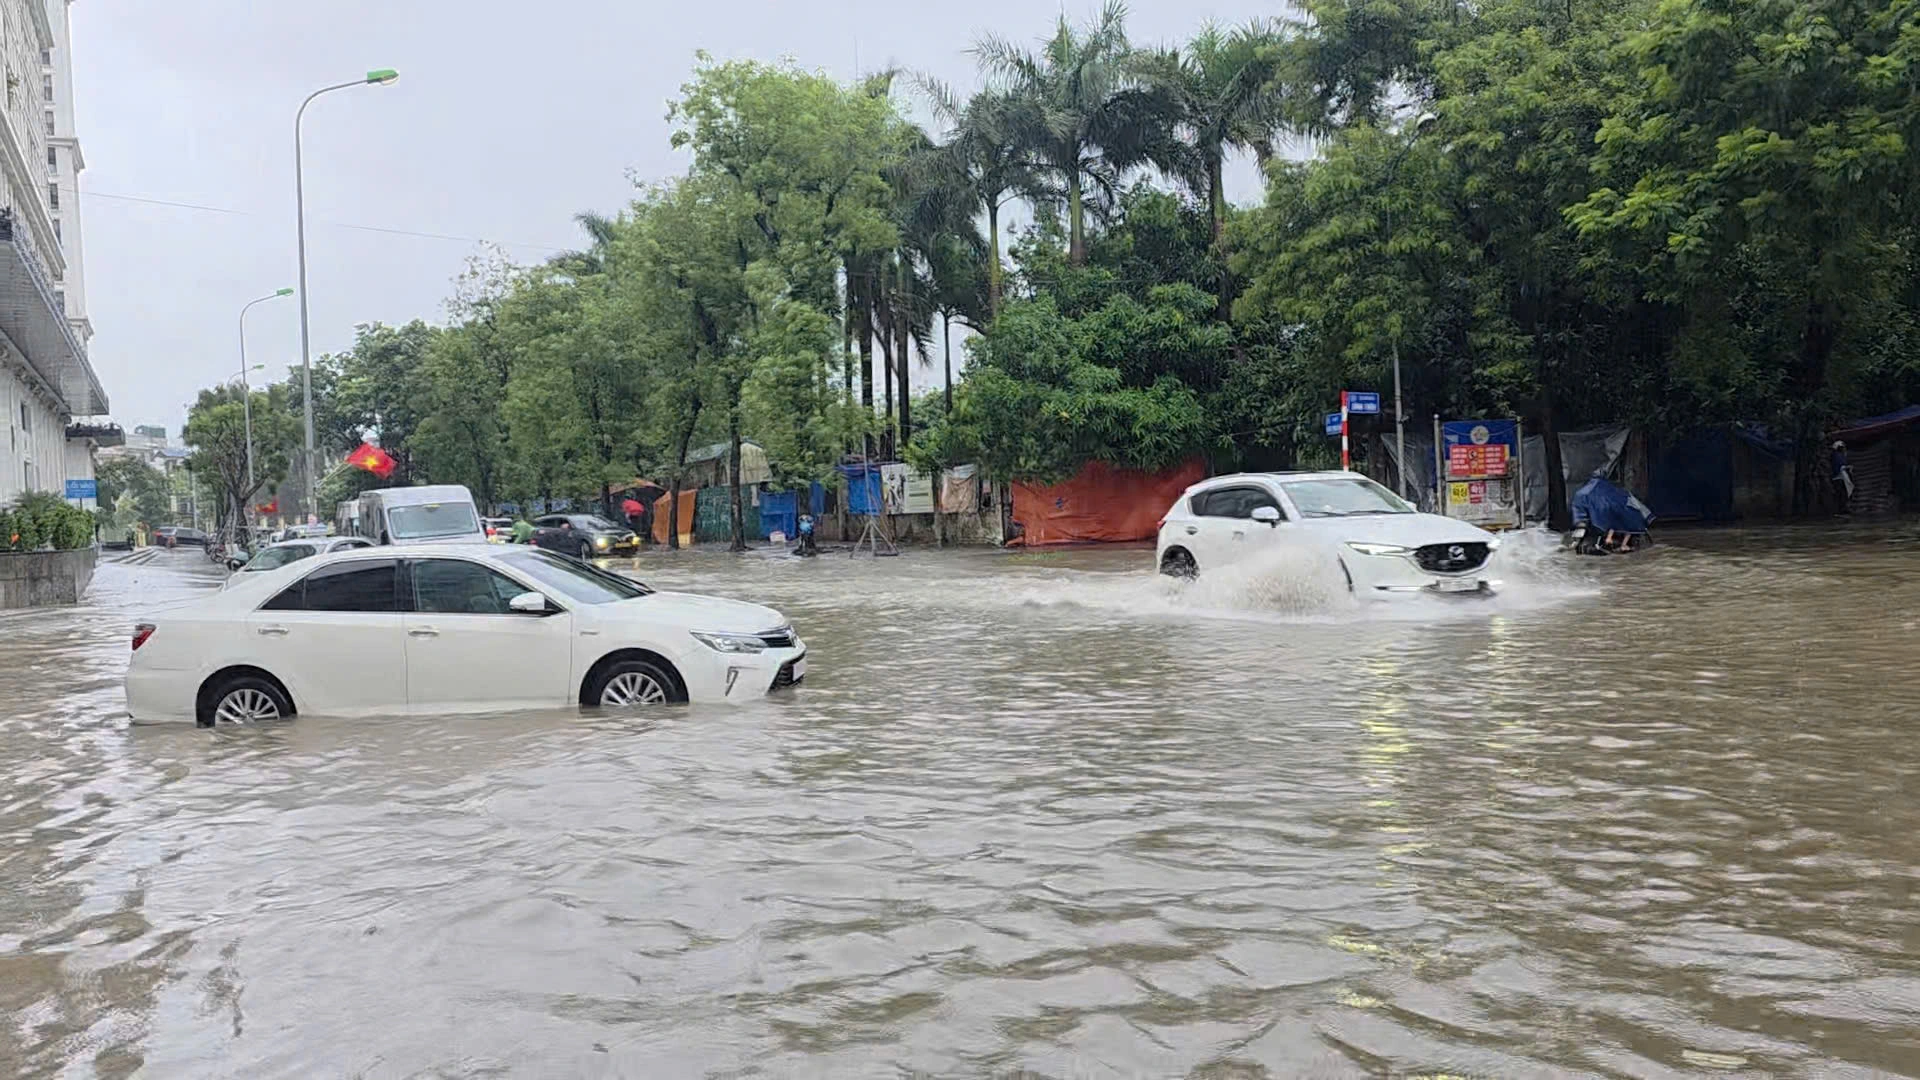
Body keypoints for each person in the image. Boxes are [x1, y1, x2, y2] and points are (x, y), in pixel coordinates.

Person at [1831, 440, 1853, 515]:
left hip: (1841, 478)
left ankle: (1842, 509)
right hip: (1838, 478)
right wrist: (1847, 467)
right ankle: (1840, 510)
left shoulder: (1840, 455)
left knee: (1842, 494)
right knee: (1841, 494)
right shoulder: (1837, 455)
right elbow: (1840, 466)